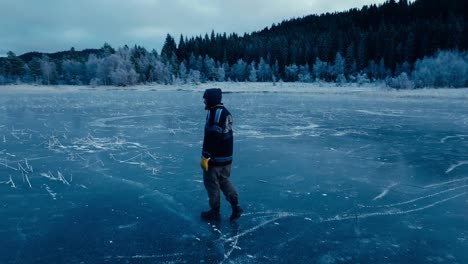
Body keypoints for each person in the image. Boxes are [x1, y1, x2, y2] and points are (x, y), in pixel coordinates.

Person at [200, 88, 243, 221]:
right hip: (226, 158)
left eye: (206, 99)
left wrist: (206, 156)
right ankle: (236, 206)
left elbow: (214, 137)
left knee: (211, 183)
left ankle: (214, 211)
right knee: (223, 180)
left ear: (211, 99)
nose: (204, 101)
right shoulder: (222, 112)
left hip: (216, 158)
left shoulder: (216, 114)